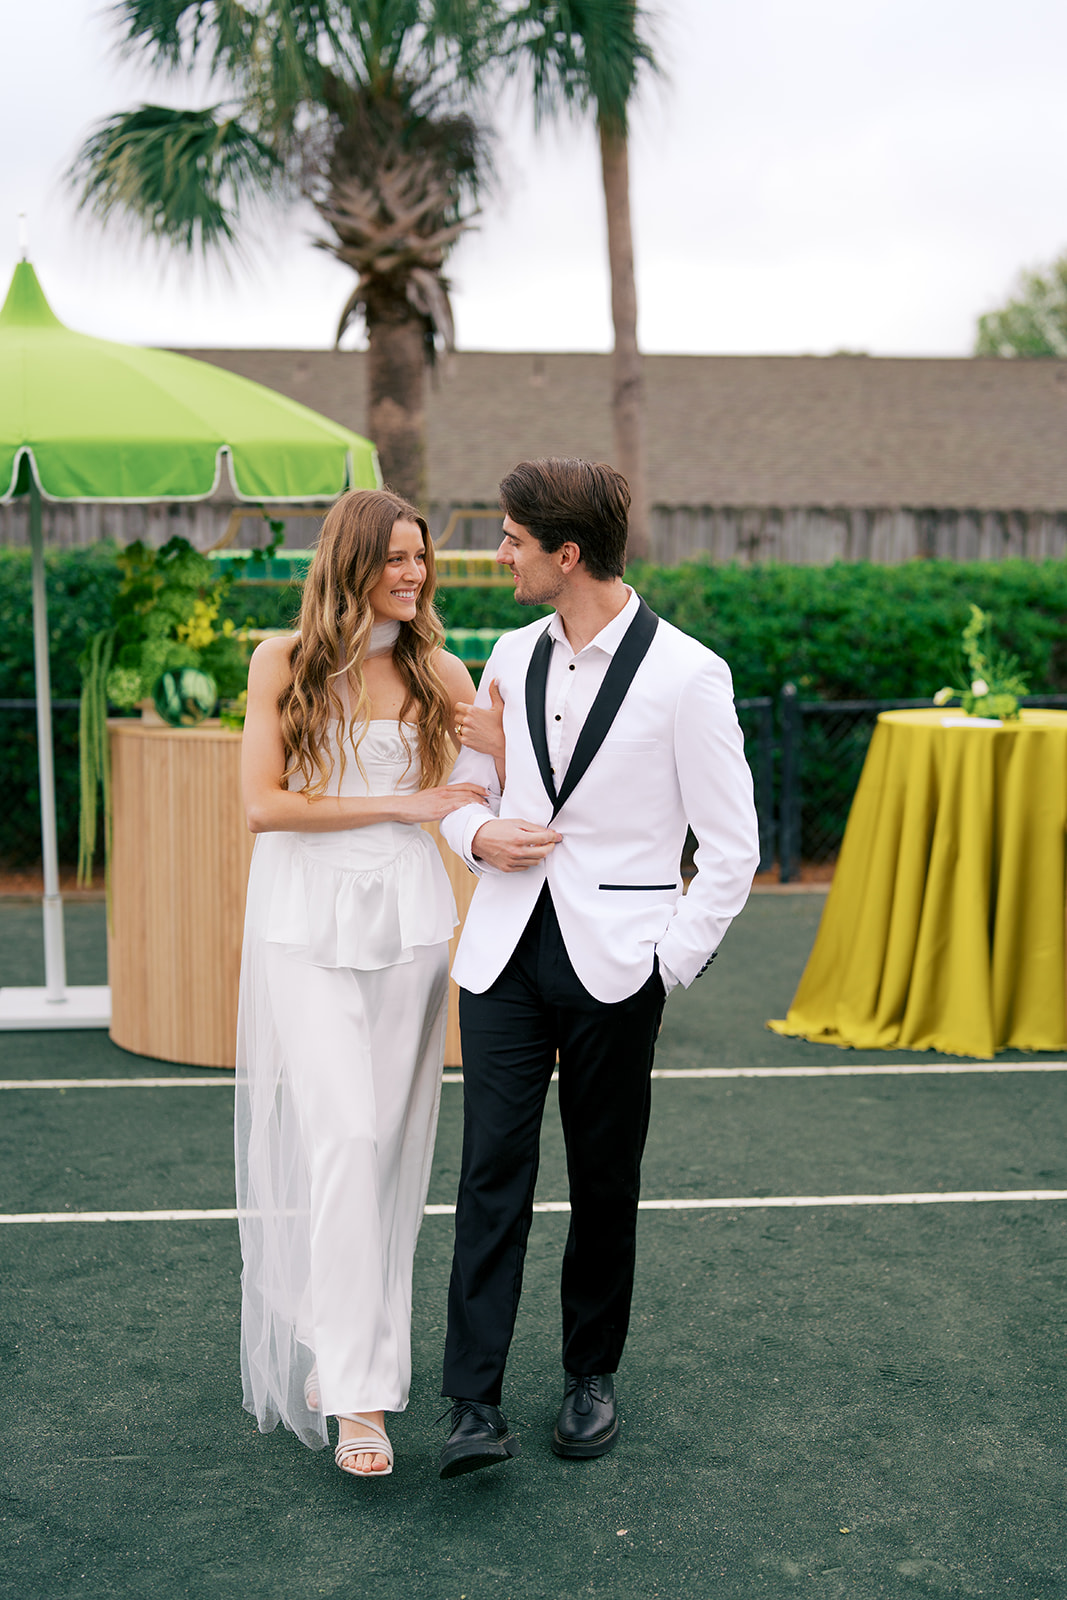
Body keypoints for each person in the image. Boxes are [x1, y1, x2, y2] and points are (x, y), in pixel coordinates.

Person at [436, 458, 760, 1478]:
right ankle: (471, 1401)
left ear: (563, 554)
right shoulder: (508, 650)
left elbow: (731, 845)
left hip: (620, 963)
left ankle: (588, 1376)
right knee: (490, 1172)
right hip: (500, 953)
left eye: (510, 540)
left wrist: (667, 964)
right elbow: (464, 789)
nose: (499, 556)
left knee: (603, 1178)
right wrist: (479, 836)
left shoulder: (686, 674)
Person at [235, 488, 487, 1479]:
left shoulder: (440, 670)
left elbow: (504, 777)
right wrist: (410, 801)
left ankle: (334, 1332)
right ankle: (359, 1397)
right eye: (392, 557)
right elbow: (261, 805)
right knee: (342, 1131)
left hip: (413, 925)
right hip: (302, 921)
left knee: (386, 1151)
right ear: (348, 561)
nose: (412, 573)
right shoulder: (281, 663)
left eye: (419, 558)